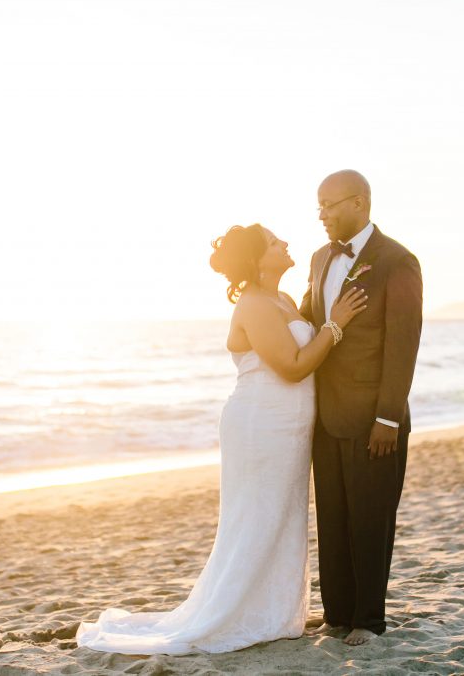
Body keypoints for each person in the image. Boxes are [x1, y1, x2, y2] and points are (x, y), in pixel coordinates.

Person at [76, 223, 367, 655]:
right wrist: (335, 325)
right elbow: (291, 366)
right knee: (255, 518)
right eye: (273, 241)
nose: (285, 242)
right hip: (259, 426)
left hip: (289, 427)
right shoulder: (253, 304)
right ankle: (233, 613)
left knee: (281, 517)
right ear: (256, 258)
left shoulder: (284, 299)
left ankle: (271, 613)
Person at [299, 170, 423, 646]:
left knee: (371, 519)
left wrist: (388, 416)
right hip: (324, 415)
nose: (323, 215)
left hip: (376, 418)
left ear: (360, 202)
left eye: (330, 205)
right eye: (319, 207)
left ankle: (368, 620)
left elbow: (403, 343)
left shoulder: (397, 261)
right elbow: (313, 321)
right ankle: (336, 614)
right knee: (332, 517)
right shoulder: (317, 259)